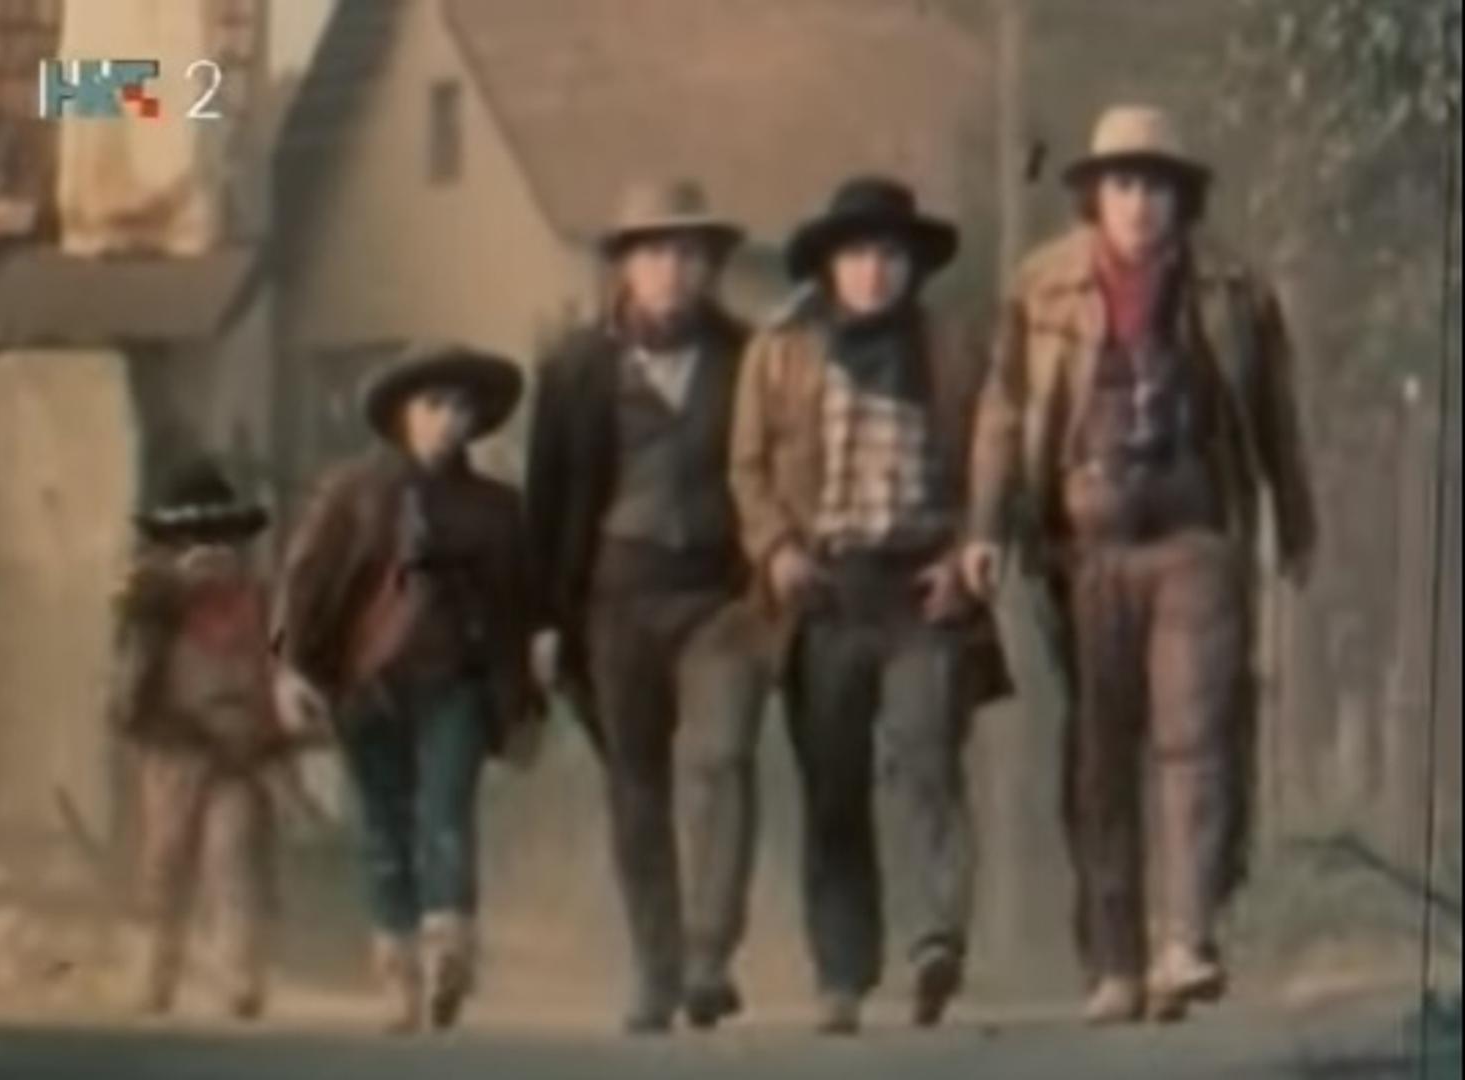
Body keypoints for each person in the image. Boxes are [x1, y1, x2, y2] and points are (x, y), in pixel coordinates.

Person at [963, 105, 1318, 1024]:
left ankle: (1185, 938)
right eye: (1121, 185)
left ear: (1180, 199)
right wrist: (985, 526)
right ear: (1093, 196)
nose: (1138, 204)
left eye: (1156, 186)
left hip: (1193, 536)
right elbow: (1002, 412)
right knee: (1099, 750)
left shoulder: (1232, 289)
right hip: (1083, 545)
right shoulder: (1040, 286)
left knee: (1195, 733)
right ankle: (1113, 959)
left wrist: (1295, 522)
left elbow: (1273, 413)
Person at [730, 176, 1007, 1035]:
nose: (874, 271)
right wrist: (776, 550)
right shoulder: (780, 352)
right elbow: (747, 468)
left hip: (919, 591)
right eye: (856, 254)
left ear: (913, 265)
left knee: (928, 756)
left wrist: (967, 553)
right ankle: (841, 972)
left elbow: (992, 458)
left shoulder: (953, 349)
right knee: (833, 785)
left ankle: (935, 939)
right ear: (827, 266)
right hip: (825, 593)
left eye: (890, 254)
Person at [527, 179, 774, 1033]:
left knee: (724, 757)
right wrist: (545, 621)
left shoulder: (748, 359)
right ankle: (654, 968)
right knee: (635, 785)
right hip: (615, 601)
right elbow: (548, 500)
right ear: (625, 266)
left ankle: (708, 955)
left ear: (710, 267)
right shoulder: (575, 369)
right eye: (655, 252)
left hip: (721, 597)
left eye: (689, 253)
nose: (672, 269)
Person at [273, 344, 540, 1034]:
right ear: (401, 415)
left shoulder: (496, 509)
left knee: (447, 812)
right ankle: (397, 968)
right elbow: (306, 584)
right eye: (433, 405)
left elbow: (516, 614)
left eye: (461, 408)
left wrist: (522, 705)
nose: (448, 421)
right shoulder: (353, 494)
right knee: (381, 825)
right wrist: (292, 669)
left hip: (455, 683)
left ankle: (448, 949)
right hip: (367, 682)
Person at [112, 459, 300, 1020]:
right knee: (165, 863)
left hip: (239, 752)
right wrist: (160, 599)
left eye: (219, 536)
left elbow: (278, 670)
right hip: (175, 747)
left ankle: (240, 977)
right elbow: (130, 683)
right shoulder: (151, 601)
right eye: (193, 537)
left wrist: (276, 738)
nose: (209, 549)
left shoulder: (259, 600)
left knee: (232, 858)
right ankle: (156, 973)